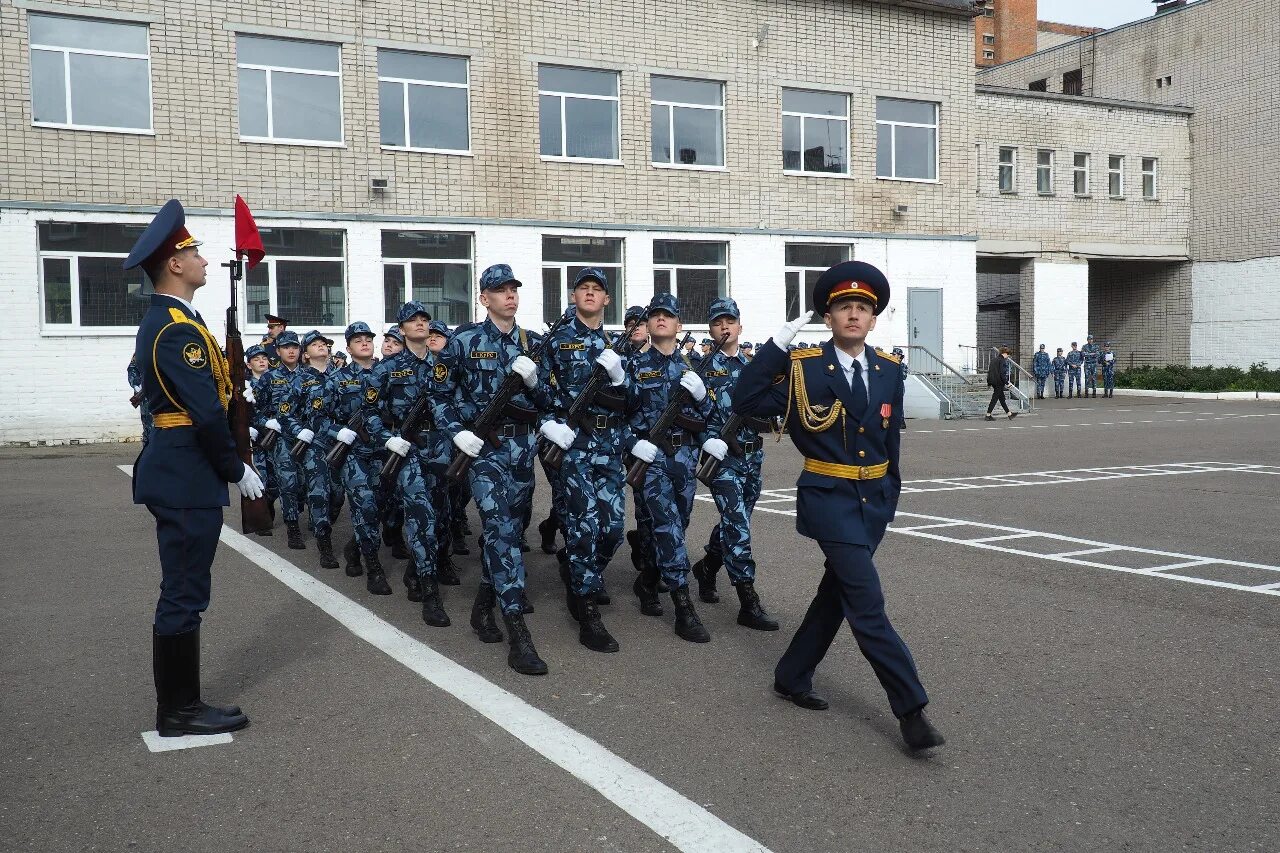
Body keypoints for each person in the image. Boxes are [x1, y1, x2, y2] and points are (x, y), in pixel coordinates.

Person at [731, 260, 943, 752]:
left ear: (873, 319)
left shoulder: (889, 371)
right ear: (828, 317)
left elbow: (891, 443)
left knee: (838, 595)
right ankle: (911, 710)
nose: (853, 315)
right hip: (830, 500)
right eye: (844, 307)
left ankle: (792, 674)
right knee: (868, 605)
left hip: (874, 505)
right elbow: (746, 401)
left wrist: (891, 497)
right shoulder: (805, 367)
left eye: (862, 308)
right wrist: (776, 345)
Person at [126, 199, 257, 737]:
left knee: (187, 589)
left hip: (181, 470)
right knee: (183, 592)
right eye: (195, 251)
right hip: (185, 473)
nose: (203, 258)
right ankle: (178, 711)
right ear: (174, 265)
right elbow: (205, 410)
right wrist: (235, 467)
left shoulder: (178, 320)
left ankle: (185, 702)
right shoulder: (175, 328)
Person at [435, 264, 552, 674]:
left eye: (513, 290)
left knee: (510, 531)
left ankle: (482, 605)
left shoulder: (532, 342)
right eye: (500, 290)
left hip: (521, 450)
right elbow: (438, 395)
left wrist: (536, 381)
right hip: (482, 451)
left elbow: (550, 403)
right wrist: (456, 433)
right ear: (484, 298)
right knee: (501, 531)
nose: (509, 296)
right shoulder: (462, 341)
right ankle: (519, 633)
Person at [538, 268, 631, 651]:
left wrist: (621, 377)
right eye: (583, 289)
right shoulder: (555, 341)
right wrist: (549, 424)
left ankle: (577, 567)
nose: (590, 294)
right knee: (583, 526)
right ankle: (587, 609)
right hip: (573, 445)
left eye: (598, 290)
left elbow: (633, 402)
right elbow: (537, 390)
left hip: (608, 447)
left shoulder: (617, 345)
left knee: (612, 529)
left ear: (607, 300)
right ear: (574, 297)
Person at [625, 293, 714, 643]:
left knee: (680, 522)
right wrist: (633, 444)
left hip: (685, 460)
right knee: (667, 527)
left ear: (679, 325)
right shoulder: (633, 366)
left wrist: (704, 397)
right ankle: (683, 606)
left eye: (668, 316)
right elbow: (622, 416)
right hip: (653, 461)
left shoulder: (692, 369)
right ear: (648, 324)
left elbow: (710, 419)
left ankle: (647, 579)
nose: (661, 320)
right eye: (655, 315)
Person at [689, 297, 778, 632]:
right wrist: (706, 440)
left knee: (734, 522)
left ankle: (708, 566)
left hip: (752, 456)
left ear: (740, 326)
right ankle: (747, 600)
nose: (724, 327)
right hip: (721, 458)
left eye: (730, 321)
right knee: (737, 523)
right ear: (710, 329)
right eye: (717, 322)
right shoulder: (700, 370)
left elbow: (768, 409)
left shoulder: (754, 368)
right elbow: (691, 416)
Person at [364, 303, 453, 624]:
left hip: (440, 449)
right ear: (401, 329)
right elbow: (369, 411)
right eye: (412, 321)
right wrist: (387, 439)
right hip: (407, 450)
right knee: (422, 520)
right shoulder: (386, 369)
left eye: (424, 320)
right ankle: (431, 594)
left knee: (442, 519)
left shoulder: (443, 365)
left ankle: (416, 572)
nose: (419, 324)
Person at [324, 321, 392, 594]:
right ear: (349, 347)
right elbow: (318, 419)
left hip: (384, 452)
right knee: (364, 505)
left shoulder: (387, 373)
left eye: (368, 339)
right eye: (358, 340)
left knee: (381, 507)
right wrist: (338, 432)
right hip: (354, 454)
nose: (365, 343)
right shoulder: (337, 380)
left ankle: (354, 547)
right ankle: (374, 568)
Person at [280, 330, 344, 569]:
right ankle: (324, 543)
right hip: (313, 443)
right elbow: (285, 412)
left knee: (338, 494)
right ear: (305, 354)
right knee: (319, 493)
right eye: (314, 344)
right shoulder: (299, 380)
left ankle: (325, 520)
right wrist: (299, 430)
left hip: (339, 443)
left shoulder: (340, 376)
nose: (321, 346)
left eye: (323, 343)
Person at [255, 330, 307, 549]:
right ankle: (292, 527)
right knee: (288, 482)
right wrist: (266, 423)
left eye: (294, 347)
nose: (291, 351)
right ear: (277, 351)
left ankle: (271, 501)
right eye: (286, 347)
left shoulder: (309, 375)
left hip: (306, 436)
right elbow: (255, 410)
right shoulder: (269, 377)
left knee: (303, 482)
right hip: (281, 438)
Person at [985, 347, 1018, 421]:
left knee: (1002, 398)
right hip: (998, 382)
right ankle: (988, 415)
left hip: (993, 381)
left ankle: (1009, 414)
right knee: (994, 398)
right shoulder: (1002, 360)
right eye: (1008, 355)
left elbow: (990, 371)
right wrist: (1007, 383)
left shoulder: (994, 360)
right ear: (1005, 353)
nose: (1008, 357)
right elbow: (1002, 373)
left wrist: (989, 382)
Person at [127, 354, 154, 445]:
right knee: (149, 429)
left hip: (170, 396)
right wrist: (138, 385)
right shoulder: (144, 347)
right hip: (147, 396)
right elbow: (132, 368)